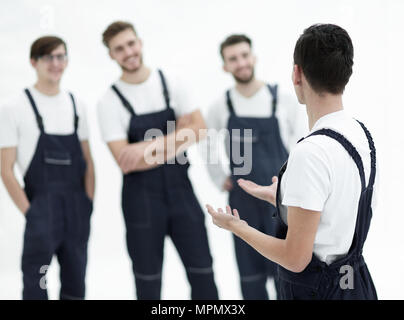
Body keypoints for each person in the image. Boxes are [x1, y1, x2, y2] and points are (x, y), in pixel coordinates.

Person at [206, 24, 378, 300]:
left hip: (318, 291)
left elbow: (295, 259)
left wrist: (236, 226)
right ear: (346, 72)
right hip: (356, 283)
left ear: (297, 74)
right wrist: (286, 198)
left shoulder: (308, 153)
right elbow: (336, 202)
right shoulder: (362, 135)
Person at [97, 21, 218, 300]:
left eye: (131, 44)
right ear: (111, 55)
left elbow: (200, 129)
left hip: (182, 193)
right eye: (119, 49)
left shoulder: (172, 81)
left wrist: (143, 148)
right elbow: (126, 162)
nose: (128, 52)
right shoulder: (109, 102)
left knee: (203, 274)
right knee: (148, 282)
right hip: (141, 202)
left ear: (139, 42)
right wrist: (178, 135)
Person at [204, 34, 306, 299]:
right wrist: (218, 177)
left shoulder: (281, 99)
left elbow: (299, 145)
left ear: (253, 57)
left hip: (280, 200)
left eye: (244, 55)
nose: (241, 63)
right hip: (243, 201)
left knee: (287, 271)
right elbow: (207, 142)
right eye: (233, 59)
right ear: (225, 66)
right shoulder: (220, 106)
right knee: (250, 275)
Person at [0, 36, 95, 300]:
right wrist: (32, 213)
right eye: (48, 57)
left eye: (61, 56)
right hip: (42, 212)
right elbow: (6, 171)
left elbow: (88, 162)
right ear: (34, 62)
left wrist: (88, 203)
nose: (56, 63)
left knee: (76, 285)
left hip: (76, 212)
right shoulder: (14, 108)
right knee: (35, 285)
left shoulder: (77, 105)